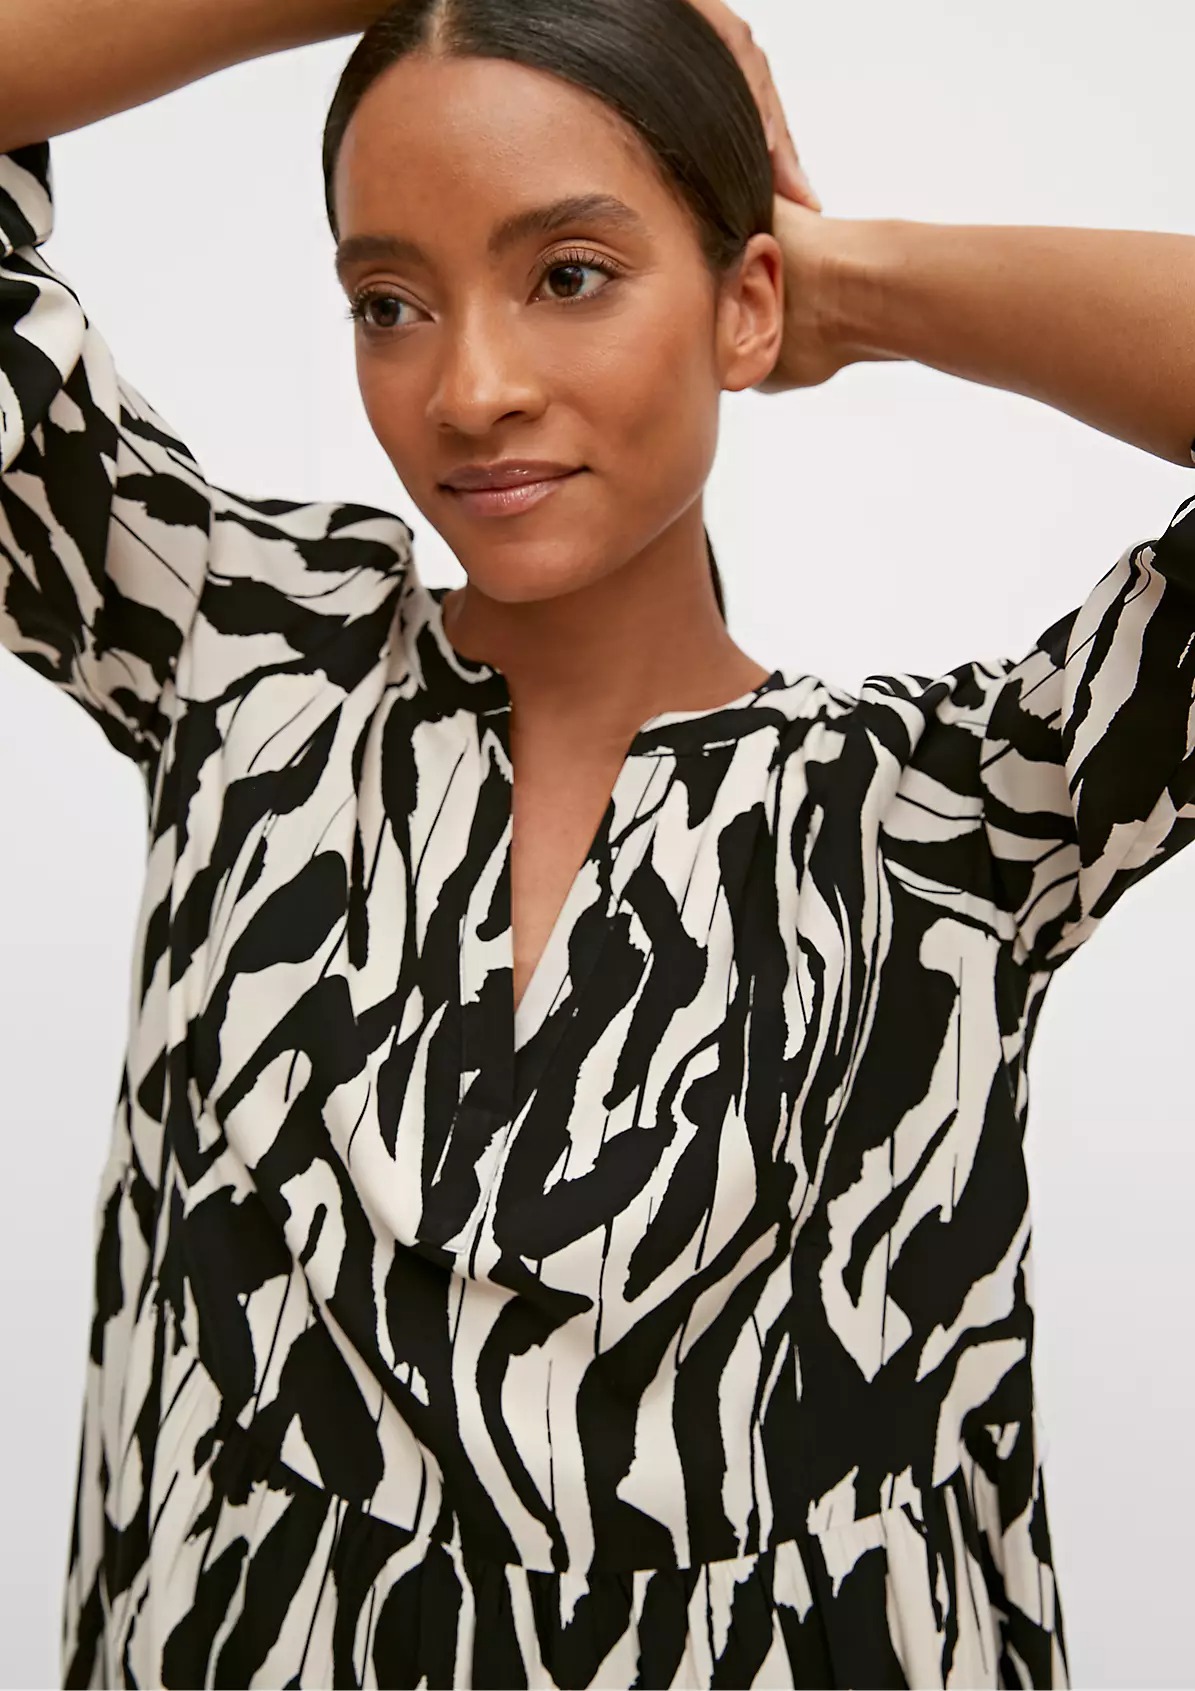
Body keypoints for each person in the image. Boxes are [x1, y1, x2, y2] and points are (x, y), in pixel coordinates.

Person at [1, 0, 1193, 1683]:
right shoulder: (240, 659)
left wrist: (842, 282)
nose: (471, 389)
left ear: (740, 301)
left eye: (569, 274)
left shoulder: (952, 817)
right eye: (390, 302)